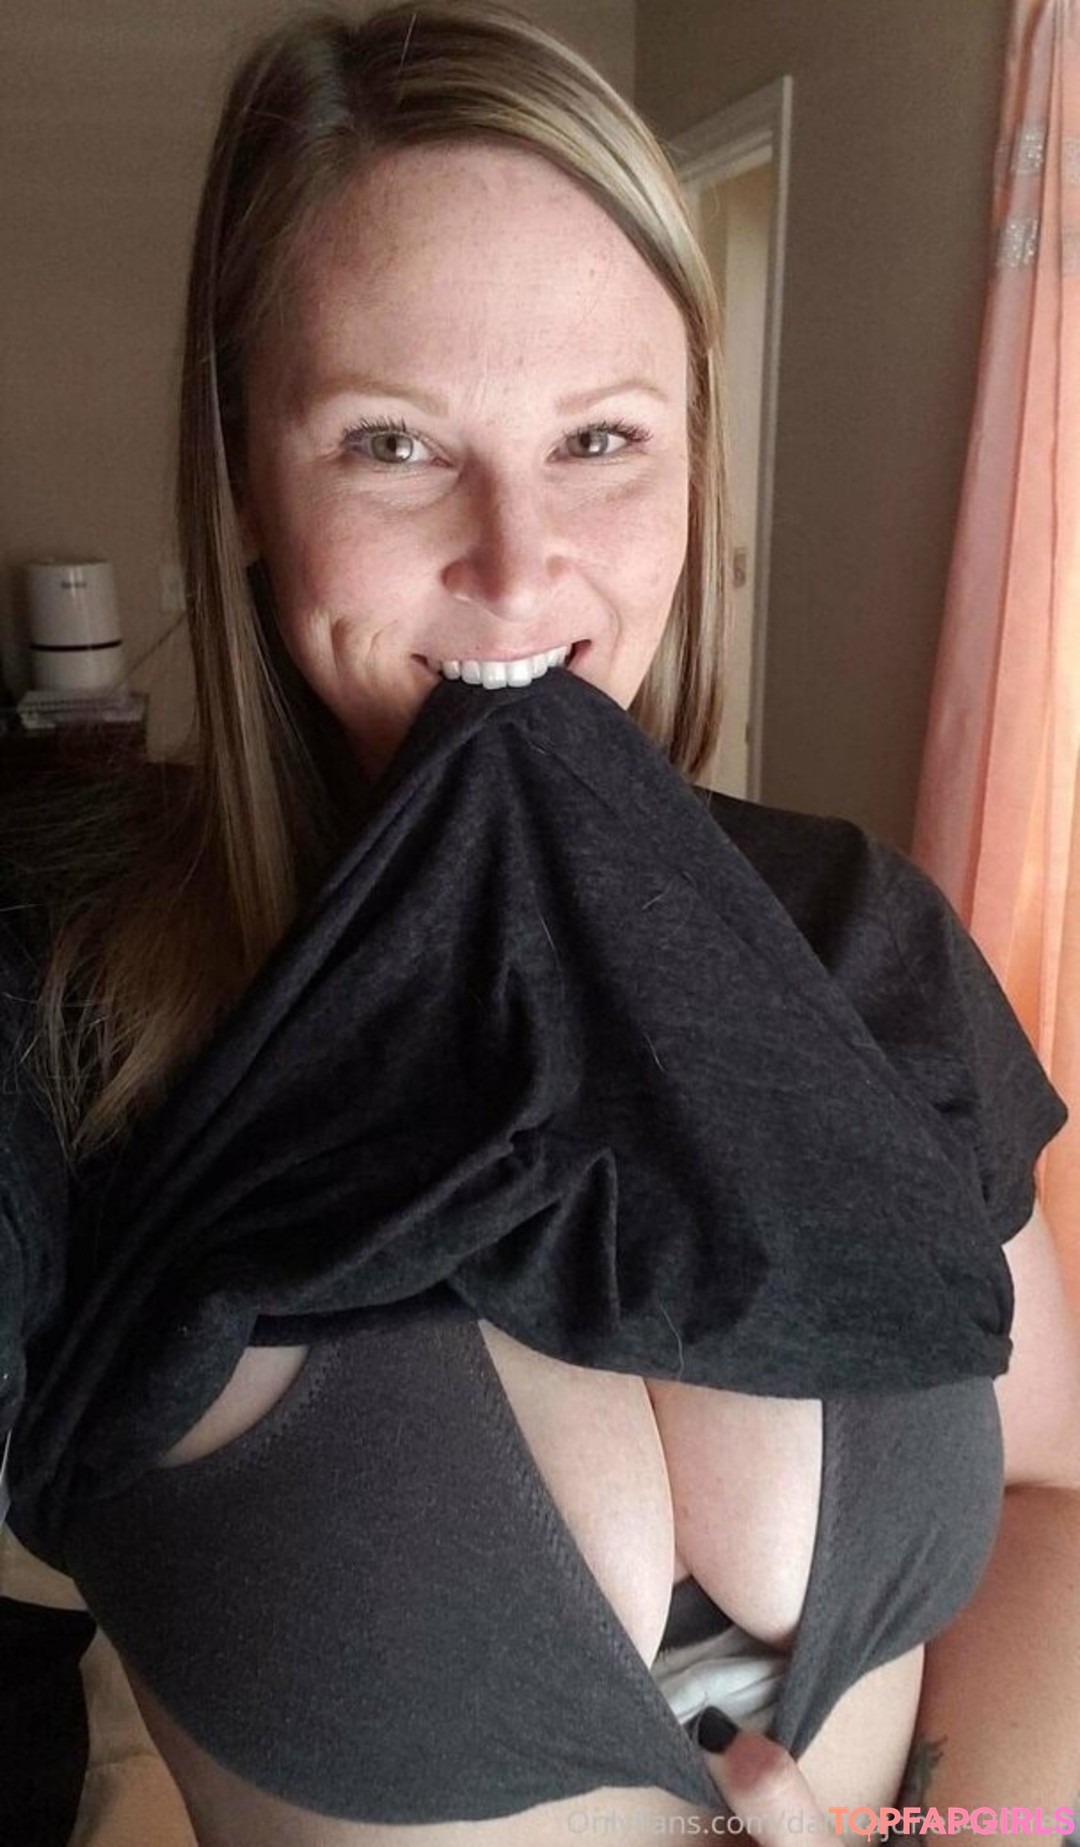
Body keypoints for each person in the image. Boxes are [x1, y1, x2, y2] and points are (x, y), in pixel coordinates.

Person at [3, 3, 1078, 1841]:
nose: (516, 564)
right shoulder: (70, 1017)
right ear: (247, 476)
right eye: (393, 444)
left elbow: (1051, 1493)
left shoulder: (858, 934)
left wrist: (964, 1841)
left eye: (599, 435)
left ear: (693, 460)